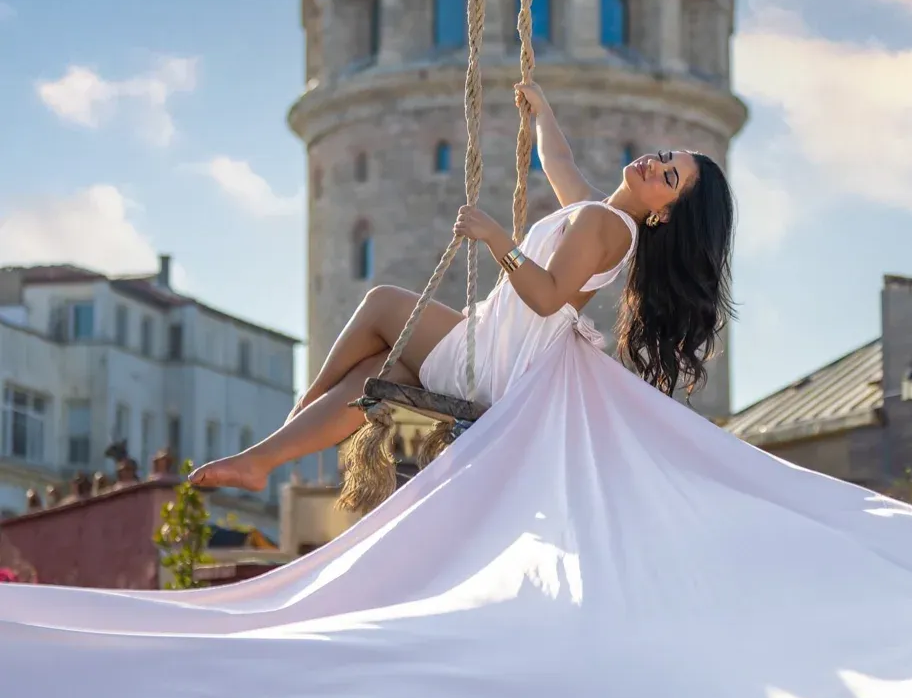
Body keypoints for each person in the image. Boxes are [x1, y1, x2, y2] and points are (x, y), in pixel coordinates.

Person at [189, 81, 735, 493]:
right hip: (497, 349)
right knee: (381, 374)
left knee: (381, 304)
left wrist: (496, 236)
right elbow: (558, 161)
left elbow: (547, 296)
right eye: (666, 158)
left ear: (666, 216)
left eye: (668, 178)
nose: (652, 165)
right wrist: (543, 112)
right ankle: (264, 461)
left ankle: (297, 415)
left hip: (494, 360)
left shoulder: (606, 226)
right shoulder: (601, 214)